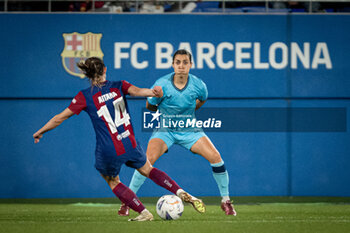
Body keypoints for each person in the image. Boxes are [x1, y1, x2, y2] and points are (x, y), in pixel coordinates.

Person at [33, 57, 205, 221]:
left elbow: (60, 118)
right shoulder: (119, 85)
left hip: (110, 149)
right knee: (148, 169)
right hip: (130, 143)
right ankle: (179, 191)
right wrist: (154, 92)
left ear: (87, 75)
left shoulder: (84, 96)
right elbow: (139, 92)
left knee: (112, 180)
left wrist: (41, 131)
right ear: (105, 70)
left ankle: (143, 212)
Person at [118, 49, 237, 216]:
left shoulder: (199, 85)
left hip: (190, 130)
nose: (181, 66)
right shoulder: (162, 84)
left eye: (185, 62)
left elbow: (201, 100)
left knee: (216, 157)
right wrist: (158, 99)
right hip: (166, 130)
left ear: (191, 65)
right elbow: (150, 106)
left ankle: (225, 201)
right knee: (146, 161)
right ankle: (127, 202)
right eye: (178, 62)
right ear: (173, 64)